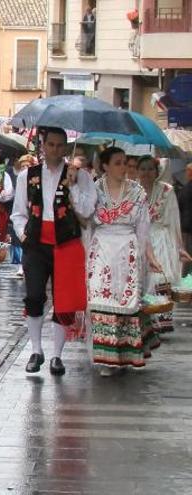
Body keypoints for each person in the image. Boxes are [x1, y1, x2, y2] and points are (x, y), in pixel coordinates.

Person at [11, 127, 96, 376]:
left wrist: (73, 186)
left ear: (67, 148)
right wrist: (23, 233)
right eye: (51, 145)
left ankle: (57, 355)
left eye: (60, 146)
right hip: (36, 243)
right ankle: (36, 350)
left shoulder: (80, 176)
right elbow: (18, 212)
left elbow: (88, 210)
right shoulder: (27, 175)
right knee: (34, 296)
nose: (55, 150)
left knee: (65, 302)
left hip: (67, 243)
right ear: (43, 145)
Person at [88, 147, 163, 376]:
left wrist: (148, 256)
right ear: (105, 166)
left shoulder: (136, 192)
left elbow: (143, 227)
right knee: (101, 297)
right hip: (102, 247)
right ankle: (105, 357)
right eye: (118, 163)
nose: (124, 167)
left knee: (126, 299)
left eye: (125, 163)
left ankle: (126, 352)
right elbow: (85, 220)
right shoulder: (93, 190)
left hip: (127, 249)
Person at [137, 157, 191, 339]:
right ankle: (145, 320)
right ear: (137, 171)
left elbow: (174, 219)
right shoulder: (132, 190)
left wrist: (179, 247)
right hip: (140, 239)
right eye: (142, 168)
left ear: (156, 171)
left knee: (160, 278)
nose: (146, 172)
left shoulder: (167, 190)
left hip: (161, 238)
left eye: (150, 169)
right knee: (142, 281)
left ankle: (161, 319)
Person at [8, 154, 34, 277]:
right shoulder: (20, 178)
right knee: (20, 238)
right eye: (23, 166)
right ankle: (20, 265)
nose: (25, 168)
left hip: (34, 212)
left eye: (27, 165)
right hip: (22, 211)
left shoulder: (36, 178)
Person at [179, 163, 192, 274]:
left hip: (185, 224)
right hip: (187, 224)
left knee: (187, 252)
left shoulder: (184, 189)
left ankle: (185, 275)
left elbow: (180, 206)